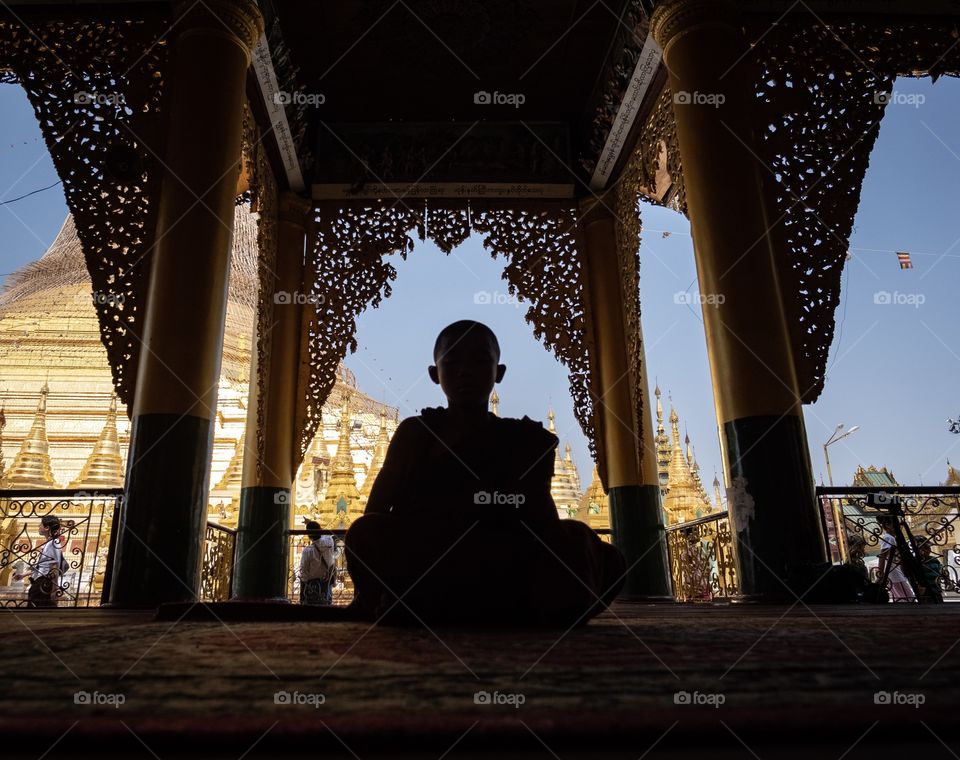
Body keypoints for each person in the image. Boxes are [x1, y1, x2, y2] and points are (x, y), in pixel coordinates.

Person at [344, 320, 626, 626]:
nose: (465, 371)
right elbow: (376, 512)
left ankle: (435, 609)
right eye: (452, 362)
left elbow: (541, 521)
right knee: (365, 532)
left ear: (499, 372)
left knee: (593, 549)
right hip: (430, 558)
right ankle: (513, 615)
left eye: (480, 361)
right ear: (434, 374)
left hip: (504, 559)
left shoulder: (524, 438)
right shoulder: (416, 433)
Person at [13, 515, 66, 608]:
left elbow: (55, 567)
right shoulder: (48, 543)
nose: (38, 526)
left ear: (47, 528)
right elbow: (41, 566)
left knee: (37, 610)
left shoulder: (53, 544)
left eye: (41, 524)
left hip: (44, 583)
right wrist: (23, 575)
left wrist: (54, 589)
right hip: (39, 582)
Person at [876, 516, 916, 603]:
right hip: (894, 572)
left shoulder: (891, 537)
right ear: (887, 525)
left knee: (902, 597)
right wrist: (880, 573)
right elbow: (882, 556)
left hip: (895, 570)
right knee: (908, 597)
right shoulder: (888, 538)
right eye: (895, 525)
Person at [299, 521, 337, 605]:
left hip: (313, 587)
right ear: (320, 530)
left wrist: (302, 595)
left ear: (309, 535)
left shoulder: (308, 551)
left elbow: (304, 572)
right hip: (327, 584)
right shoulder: (329, 541)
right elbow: (326, 534)